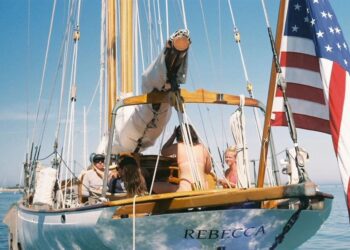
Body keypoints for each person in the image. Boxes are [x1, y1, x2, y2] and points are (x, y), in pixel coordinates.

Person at [160, 124, 212, 192]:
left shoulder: (178, 147)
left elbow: (163, 151)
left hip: (185, 188)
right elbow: (208, 170)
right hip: (202, 188)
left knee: (154, 186)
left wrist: (173, 136)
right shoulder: (203, 148)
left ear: (178, 135)